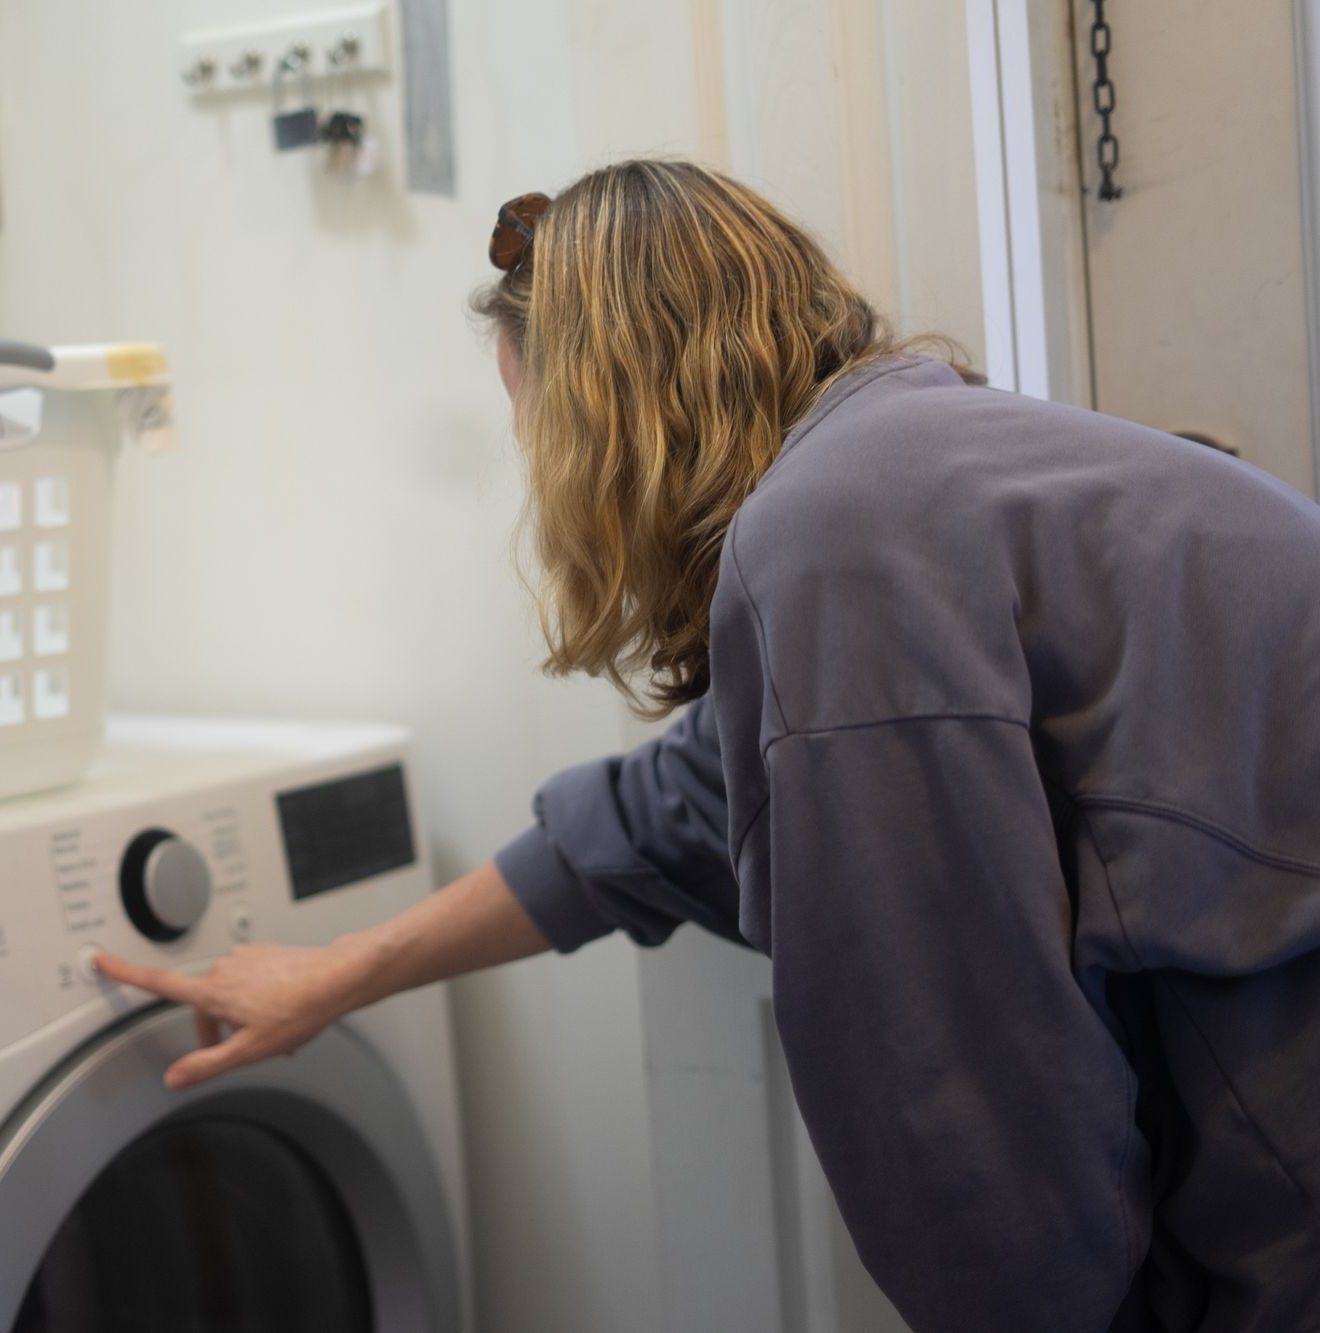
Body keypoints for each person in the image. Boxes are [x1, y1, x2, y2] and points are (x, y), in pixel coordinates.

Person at [95, 160, 1320, 1332]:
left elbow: (959, 1111)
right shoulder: (898, 468)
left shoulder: (840, 533)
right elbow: (671, 809)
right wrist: (342, 971)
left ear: (607, 420)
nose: (539, 475)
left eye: (535, 431)